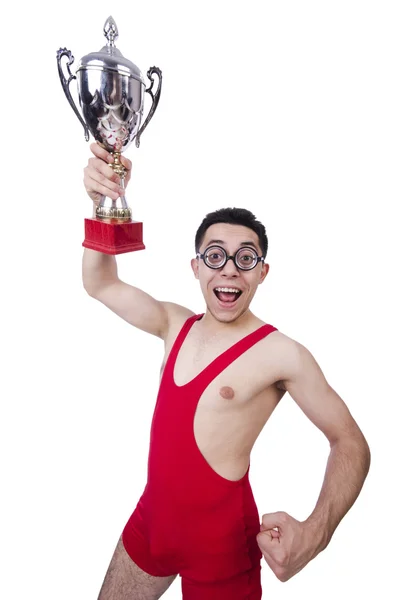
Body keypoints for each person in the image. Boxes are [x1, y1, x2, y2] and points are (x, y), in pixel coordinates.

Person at [83, 143, 371, 600]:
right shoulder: (172, 323)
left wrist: (316, 533)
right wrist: (103, 201)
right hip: (150, 526)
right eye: (216, 256)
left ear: (262, 272)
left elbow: (350, 440)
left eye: (246, 258)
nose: (230, 271)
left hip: (222, 551)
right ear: (196, 268)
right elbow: (99, 283)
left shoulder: (283, 354)